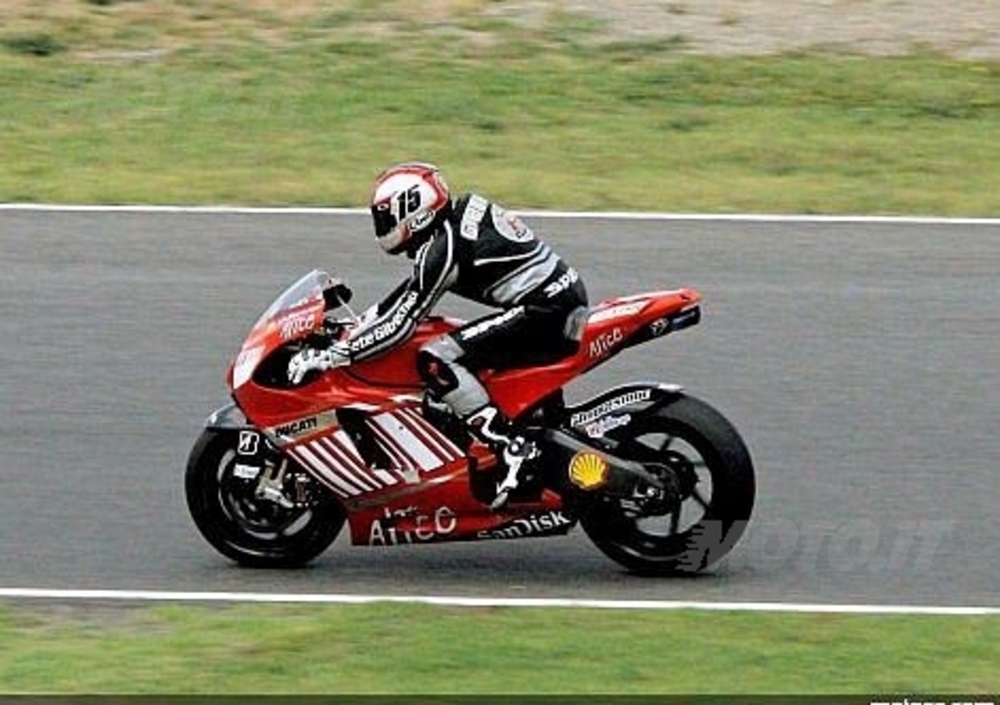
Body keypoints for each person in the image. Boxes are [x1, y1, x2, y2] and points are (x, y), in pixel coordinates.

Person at [288, 162, 589, 509]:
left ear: (412, 210)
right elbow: (409, 293)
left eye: (386, 216)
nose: (382, 225)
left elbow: (401, 322)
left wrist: (334, 355)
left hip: (546, 311)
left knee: (436, 357)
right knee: (461, 348)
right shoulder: (448, 231)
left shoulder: (442, 248)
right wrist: (351, 327)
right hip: (554, 301)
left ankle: (510, 446)